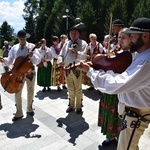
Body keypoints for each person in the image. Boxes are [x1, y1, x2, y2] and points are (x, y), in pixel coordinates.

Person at [77, 17, 150, 150]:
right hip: (132, 112)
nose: (131, 39)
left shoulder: (146, 60)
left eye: (132, 36)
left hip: (136, 115)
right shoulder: (139, 55)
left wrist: (91, 71)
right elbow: (122, 74)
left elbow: (115, 85)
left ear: (145, 36)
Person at [0, 30, 41, 121]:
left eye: (24, 38)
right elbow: (10, 60)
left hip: (30, 73)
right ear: (18, 38)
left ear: (26, 38)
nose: (22, 40)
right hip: (18, 75)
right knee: (17, 92)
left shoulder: (32, 47)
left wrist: (32, 56)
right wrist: (4, 60)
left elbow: (37, 61)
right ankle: (19, 112)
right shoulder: (14, 48)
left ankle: (29, 108)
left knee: (30, 91)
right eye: (21, 38)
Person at [57, 24, 87, 114]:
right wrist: (60, 60)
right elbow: (60, 55)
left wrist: (76, 53)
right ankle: (71, 105)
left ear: (78, 34)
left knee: (78, 88)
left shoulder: (83, 43)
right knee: (70, 88)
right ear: (69, 34)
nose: (73, 34)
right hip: (67, 68)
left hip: (76, 68)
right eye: (72, 33)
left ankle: (78, 106)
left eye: (75, 33)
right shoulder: (66, 43)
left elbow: (84, 55)